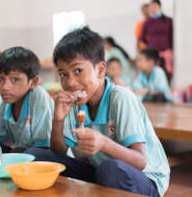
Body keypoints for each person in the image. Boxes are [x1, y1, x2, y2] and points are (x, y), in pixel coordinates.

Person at [25, 27, 169, 197]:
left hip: (144, 180)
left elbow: (140, 161)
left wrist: (104, 144)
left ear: (100, 70)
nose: (70, 82)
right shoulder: (75, 102)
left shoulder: (121, 98)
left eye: (78, 71)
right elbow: (59, 154)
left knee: (111, 169)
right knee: (34, 156)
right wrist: (58, 119)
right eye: (63, 74)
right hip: (100, 172)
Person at [140, 0, 173, 78]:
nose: (153, 9)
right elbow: (142, 37)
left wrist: (171, 50)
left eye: (154, 6)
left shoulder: (168, 20)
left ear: (159, 7)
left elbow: (171, 36)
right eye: (151, 7)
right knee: (154, 73)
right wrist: (150, 44)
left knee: (167, 72)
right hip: (152, 52)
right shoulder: (148, 22)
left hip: (165, 52)